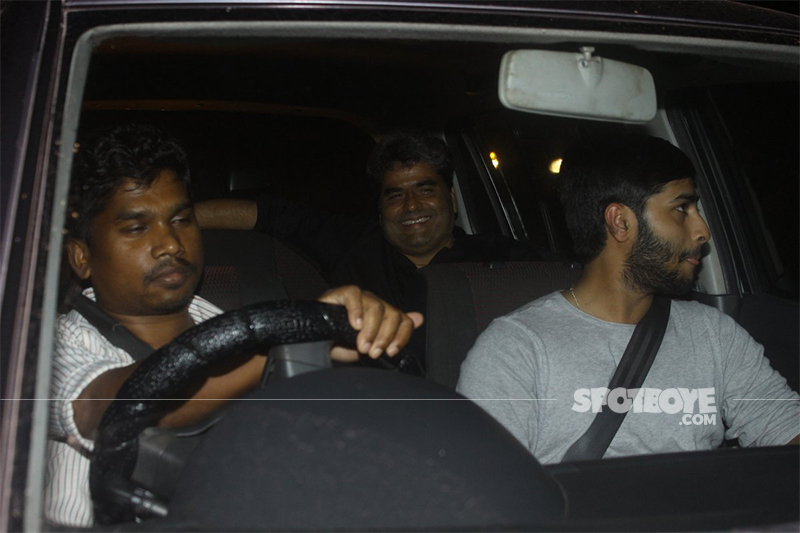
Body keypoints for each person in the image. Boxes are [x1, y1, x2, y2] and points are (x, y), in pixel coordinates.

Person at [45, 123, 423, 527]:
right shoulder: (50, 344)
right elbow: (110, 409)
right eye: (137, 228)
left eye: (181, 220)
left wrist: (355, 341)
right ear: (82, 257)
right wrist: (287, 343)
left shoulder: (226, 322)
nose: (170, 243)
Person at [456, 134, 799, 464]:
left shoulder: (714, 335)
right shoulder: (515, 349)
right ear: (620, 222)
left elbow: (785, 428)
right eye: (682, 208)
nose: (702, 231)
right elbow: (487, 489)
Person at [194, 132, 549, 313]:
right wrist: (170, 222)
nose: (411, 205)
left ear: (452, 200)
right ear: (379, 207)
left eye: (425, 190)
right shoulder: (350, 243)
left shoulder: (504, 260)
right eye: (395, 194)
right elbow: (267, 215)